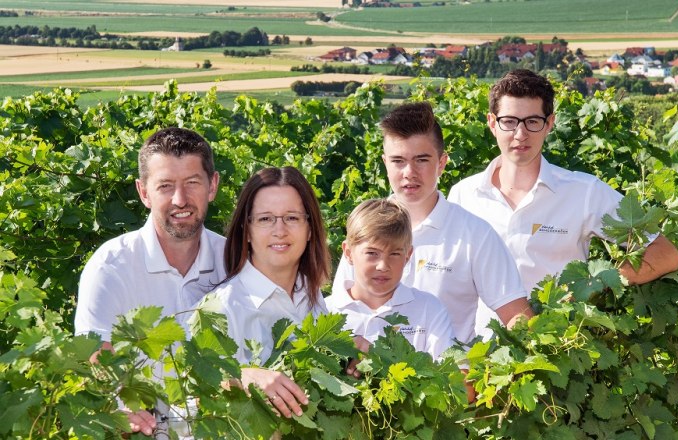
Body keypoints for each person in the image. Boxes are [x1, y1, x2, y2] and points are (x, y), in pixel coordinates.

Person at [448, 68, 678, 309]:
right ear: (492, 123)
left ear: (549, 124)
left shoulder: (584, 192)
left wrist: (599, 282)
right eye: (509, 122)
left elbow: (665, 253)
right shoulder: (463, 195)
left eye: (532, 122)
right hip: (477, 345)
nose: (520, 134)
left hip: (557, 342)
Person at [333, 102, 532, 346]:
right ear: (385, 163)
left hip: (451, 380)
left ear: (442, 163)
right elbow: (340, 313)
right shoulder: (364, 231)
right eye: (398, 161)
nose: (409, 172)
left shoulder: (475, 235)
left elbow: (517, 317)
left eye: (421, 160)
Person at [74, 127, 225, 436]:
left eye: (192, 183)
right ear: (144, 192)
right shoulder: (110, 268)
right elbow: (94, 355)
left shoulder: (234, 261)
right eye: (165, 186)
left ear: (212, 186)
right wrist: (120, 402)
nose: (180, 199)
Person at [208, 166, 331, 419]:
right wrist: (241, 377)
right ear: (247, 230)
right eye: (265, 219)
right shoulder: (220, 308)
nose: (280, 230)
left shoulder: (313, 297)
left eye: (292, 218)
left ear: (309, 229)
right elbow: (191, 396)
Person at [327, 199, 454, 359]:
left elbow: (449, 376)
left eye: (394, 254)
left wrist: (379, 359)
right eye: (372, 253)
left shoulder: (429, 310)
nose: (383, 266)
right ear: (348, 253)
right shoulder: (324, 312)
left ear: (408, 255)